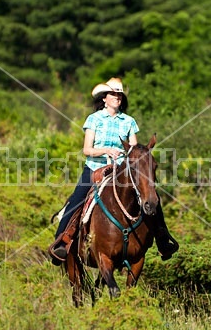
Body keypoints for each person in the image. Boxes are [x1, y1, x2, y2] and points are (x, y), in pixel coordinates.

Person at [49, 77, 179, 264]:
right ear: (104, 98)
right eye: (113, 94)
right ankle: (62, 242)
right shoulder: (94, 119)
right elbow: (87, 149)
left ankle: (162, 239)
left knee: (152, 197)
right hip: (95, 167)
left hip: (122, 171)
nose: (117, 97)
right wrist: (106, 150)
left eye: (119, 94)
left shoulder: (128, 121)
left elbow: (134, 150)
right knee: (77, 201)